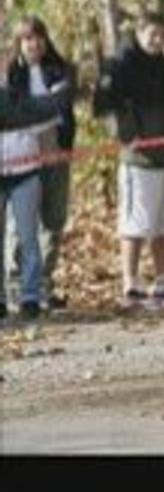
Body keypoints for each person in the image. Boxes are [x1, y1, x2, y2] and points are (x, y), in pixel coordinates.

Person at [93, 12, 164, 309]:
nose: (158, 40)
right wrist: (127, 134)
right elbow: (103, 105)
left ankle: (163, 280)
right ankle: (131, 282)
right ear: (139, 31)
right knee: (136, 223)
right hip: (139, 158)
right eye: (153, 33)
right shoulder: (121, 63)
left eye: (163, 35)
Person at [5, 17, 76, 311]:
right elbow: (19, 112)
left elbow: (63, 107)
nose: (34, 44)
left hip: (57, 151)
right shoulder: (10, 75)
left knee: (54, 218)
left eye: (39, 38)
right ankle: (15, 281)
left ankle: (44, 281)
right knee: (20, 223)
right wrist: (44, 110)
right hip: (22, 156)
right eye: (27, 39)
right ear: (19, 44)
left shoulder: (60, 70)